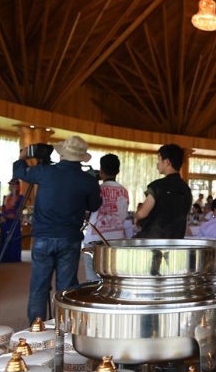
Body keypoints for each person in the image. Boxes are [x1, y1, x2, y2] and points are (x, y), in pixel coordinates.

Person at [13, 135, 102, 323]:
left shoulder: (44, 172)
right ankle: (63, 330)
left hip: (43, 238)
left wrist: (22, 157)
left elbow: (19, 171)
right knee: (66, 289)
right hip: (69, 239)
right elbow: (94, 206)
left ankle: (36, 331)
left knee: (38, 287)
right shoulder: (87, 180)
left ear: (62, 155)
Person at [82, 153, 129, 281]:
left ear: (101, 172)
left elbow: (86, 213)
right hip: (117, 240)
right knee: (114, 279)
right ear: (118, 171)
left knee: (93, 280)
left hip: (94, 238)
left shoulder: (96, 189)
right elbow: (123, 215)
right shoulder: (124, 191)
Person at [134, 144, 192, 238]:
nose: (157, 163)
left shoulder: (157, 186)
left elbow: (142, 213)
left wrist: (136, 216)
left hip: (153, 241)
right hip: (176, 242)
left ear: (167, 162)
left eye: (159, 159)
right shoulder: (186, 189)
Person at [0, 178, 24, 263]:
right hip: (5, 220)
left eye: (14, 185)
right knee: (4, 238)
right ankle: (4, 257)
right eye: (11, 185)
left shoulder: (20, 197)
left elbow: (16, 206)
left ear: (18, 186)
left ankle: (14, 258)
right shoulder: (7, 197)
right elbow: (4, 207)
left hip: (14, 220)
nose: (12, 186)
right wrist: (2, 216)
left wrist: (14, 193)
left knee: (13, 239)